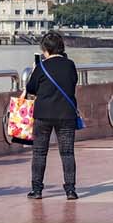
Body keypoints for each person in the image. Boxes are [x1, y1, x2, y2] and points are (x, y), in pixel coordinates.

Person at [23, 31, 79, 200]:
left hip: (43, 115)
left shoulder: (41, 66)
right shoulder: (70, 65)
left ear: (45, 49)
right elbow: (73, 82)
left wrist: (35, 70)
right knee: (67, 153)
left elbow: (31, 88)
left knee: (39, 152)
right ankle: (70, 190)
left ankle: (37, 190)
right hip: (66, 114)